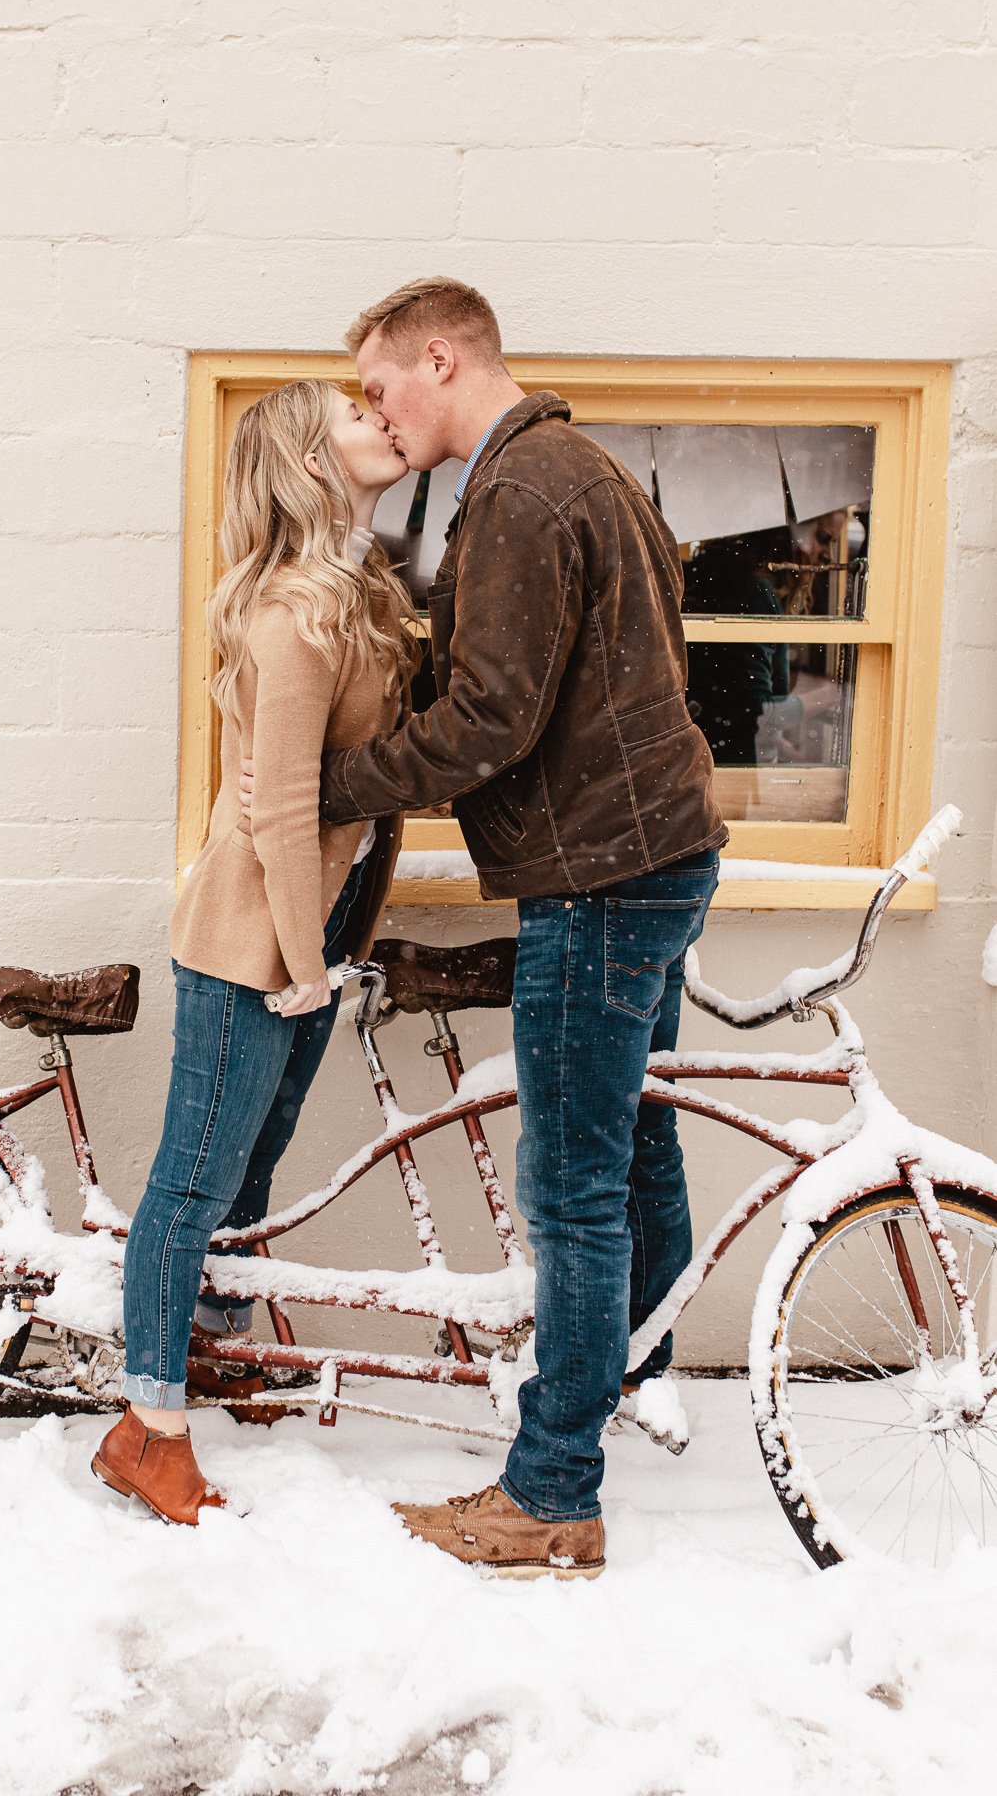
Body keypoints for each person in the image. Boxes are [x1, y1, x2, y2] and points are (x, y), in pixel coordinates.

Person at [244, 280, 725, 1578]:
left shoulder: (517, 493)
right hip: (663, 855)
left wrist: (330, 786)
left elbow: (491, 722)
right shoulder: (587, 472)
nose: (373, 410)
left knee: (572, 1194)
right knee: (631, 1151)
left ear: (439, 360)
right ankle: (623, 1373)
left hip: (601, 876)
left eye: (377, 385)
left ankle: (553, 1488)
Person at [92, 379, 418, 1524]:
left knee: (252, 1166)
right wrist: (301, 962)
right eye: (353, 415)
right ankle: (148, 1424)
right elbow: (281, 810)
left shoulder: (354, 588)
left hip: (306, 929)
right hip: (251, 940)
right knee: (191, 1182)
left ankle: (213, 1350)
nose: (381, 418)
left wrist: (325, 948)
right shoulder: (292, 612)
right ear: (307, 464)